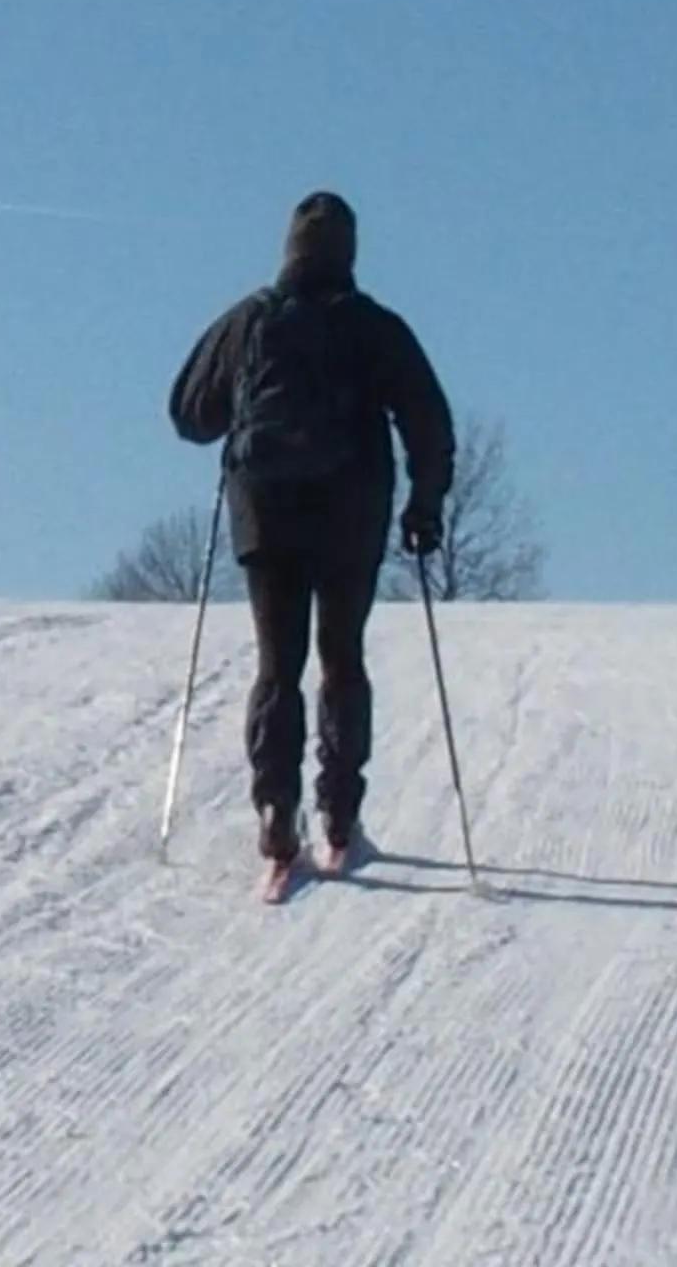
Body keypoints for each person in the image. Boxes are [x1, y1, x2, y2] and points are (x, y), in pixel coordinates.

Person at [169, 191, 453, 874]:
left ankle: (274, 808)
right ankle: (340, 813)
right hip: (352, 509)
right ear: (349, 253)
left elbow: (189, 414)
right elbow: (429, 421)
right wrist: (425, 505)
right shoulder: (374, 326)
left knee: (278, 662)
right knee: (341, 657)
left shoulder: (250, 321)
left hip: (266, 510)